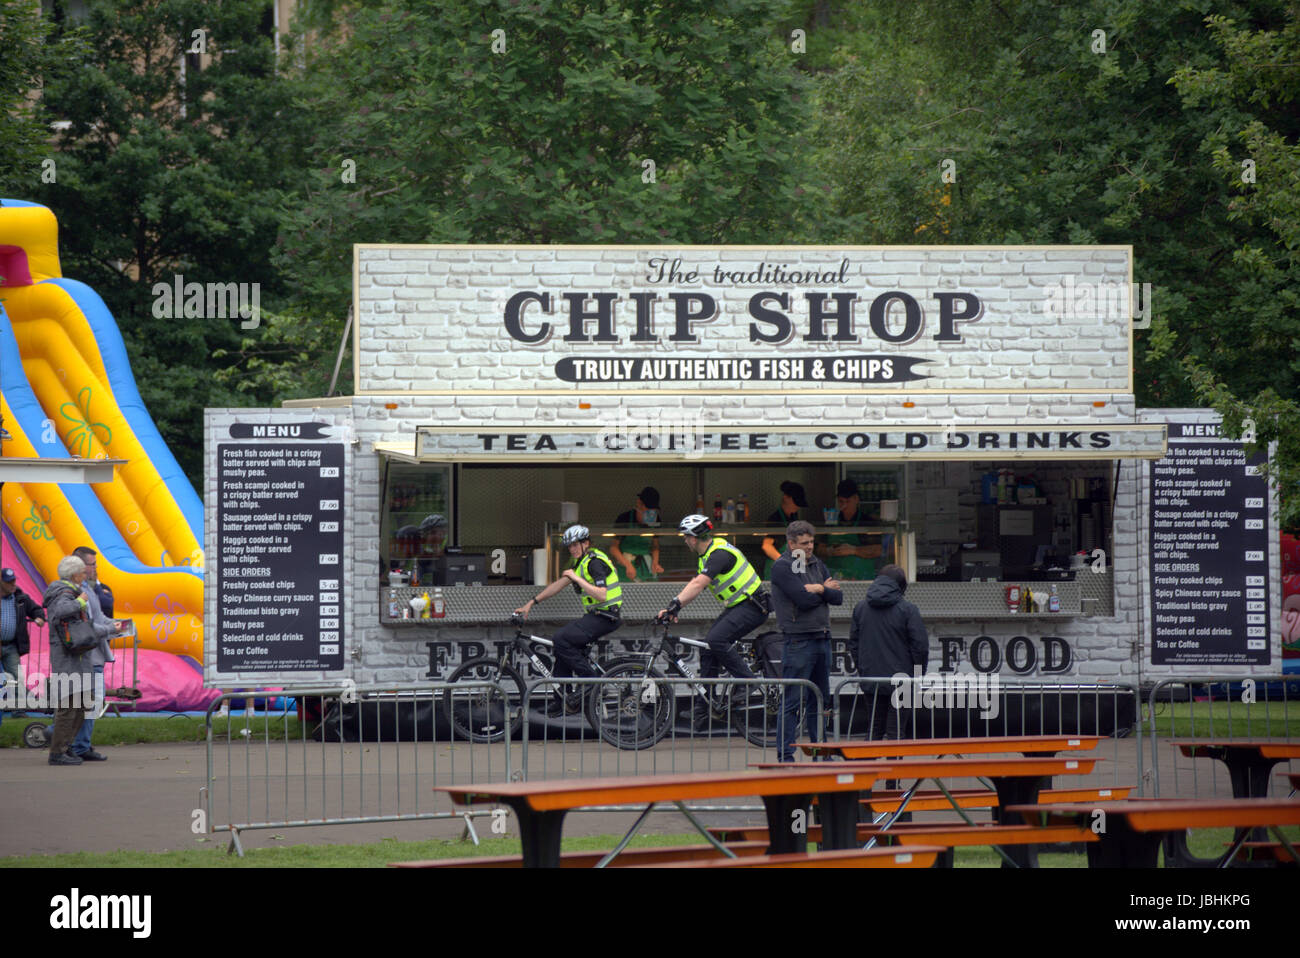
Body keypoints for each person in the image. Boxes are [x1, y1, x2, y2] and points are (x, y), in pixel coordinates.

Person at [656, 515, 770, 710]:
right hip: (740, 605)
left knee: (717, 640)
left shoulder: (719, 554)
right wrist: (677, 607)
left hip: (754, 605)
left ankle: (749, 682)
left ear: (693, 537)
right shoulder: (708, 556)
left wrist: (674, 605)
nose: (684, 540)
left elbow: (698, 584)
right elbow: (695, 586)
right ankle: (706, 704)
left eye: (685, 536)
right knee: (708, 646)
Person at [514, 524, 621, 711]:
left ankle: (592, 683)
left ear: (585, 543)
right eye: (569, 546)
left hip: (607, 616)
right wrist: (531, 602)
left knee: (560, 638)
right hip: (596, 615)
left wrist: (576, 579)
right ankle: (562, 700)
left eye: (575, 545)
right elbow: (557, 586)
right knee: (561, 649)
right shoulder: (581, 563)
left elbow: (602, 595)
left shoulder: (594, 562)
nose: (572, 549)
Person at [769, 520, 841, 762]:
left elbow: (838, 597)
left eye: (811, 542)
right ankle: (785, 756)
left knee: (820, 699)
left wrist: (817, 589)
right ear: (791, 544)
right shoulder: (783, 566)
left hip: (821, 636)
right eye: (804, 543)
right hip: (798, 640)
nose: (810, 547)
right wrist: (823, 590)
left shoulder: (816, 564)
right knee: (792, 701)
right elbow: (803, 600)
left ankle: (821, 753)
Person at [850, 563, 928, 741]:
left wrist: (864, 670)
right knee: (896, 733)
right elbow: (920, 647)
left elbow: (854, 644)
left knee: (873, 730)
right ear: (901, 586)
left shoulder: (860, 608)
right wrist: (917, 676)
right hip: (902, 680)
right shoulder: (908, 610)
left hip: (871, 679)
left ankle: (868, 769)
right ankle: (895, 768)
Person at [42, 555, 100, 766]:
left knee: (84, 703)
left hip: (79, 658)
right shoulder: (62, 593)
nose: (85, 575)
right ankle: (57, 752)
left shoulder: (69, 591)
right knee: (68, 707)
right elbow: (60, 612)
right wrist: (80, 601)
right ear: (75, 574)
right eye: (83, 572)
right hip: (67, 659)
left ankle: (66, 747)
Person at [69, 546, 121, 762]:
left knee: (94, 700)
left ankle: (81, 744)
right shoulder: (72, 591)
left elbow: (99, 618)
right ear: (80, 565)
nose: (95, 569)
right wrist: (111, 629)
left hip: (94, 655)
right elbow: (87, 625)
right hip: (84, 654)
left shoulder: (90, 590)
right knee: (82, 700)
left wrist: (120, 625)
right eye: (92, 564)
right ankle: (63, 735)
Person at [0, 567, 46, 724]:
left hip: (11, 645)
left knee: (16, 678)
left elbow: (37, 610)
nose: (12, 584)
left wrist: (39, 618)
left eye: (13, 581)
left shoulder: (20, 598)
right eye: (8, 582)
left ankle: (18, 710)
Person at [818, 478, 884, 581]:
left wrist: (854, 550)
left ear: (856, 499)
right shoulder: (832, 521)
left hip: (861, 578)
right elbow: (819, 549)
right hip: (835, 578)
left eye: (847, 501)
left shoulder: (867, 522)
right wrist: (829, 551)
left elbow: (878, 550)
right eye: (841, 501)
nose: (844, 505)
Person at [609, 486, 663, 582]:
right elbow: (613, 548)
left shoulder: (656, 520)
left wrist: (655, 563)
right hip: (625, 568)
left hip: (646, 567)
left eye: (653, 509)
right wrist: (627, 565)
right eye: (648, 508)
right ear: (639, 503)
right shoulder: (624, 519)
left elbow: (655, 546)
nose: (651, 513)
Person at [761, 480, 808, 578]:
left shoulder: (794, 517)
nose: (797, 506)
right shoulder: (775, 519)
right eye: (796, 502)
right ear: (786, 498)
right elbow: (766, 546)